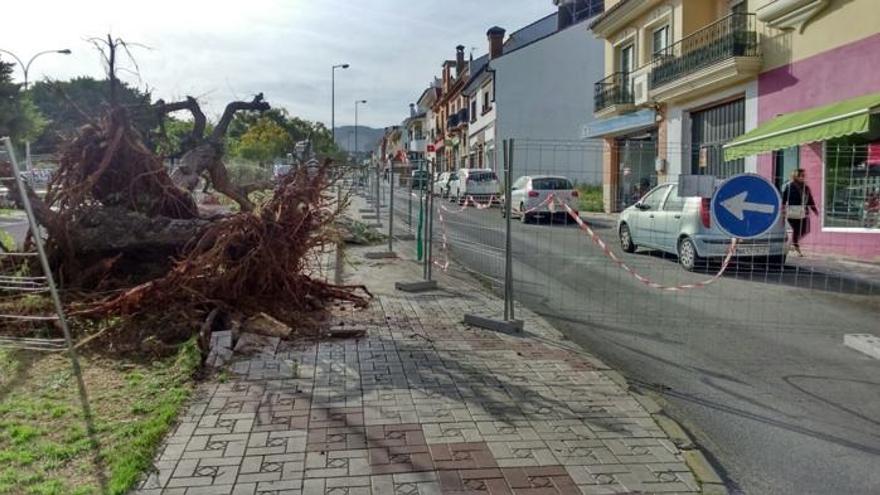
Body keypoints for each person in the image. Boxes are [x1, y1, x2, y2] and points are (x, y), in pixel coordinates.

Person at [780, 168, 818, 256]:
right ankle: (795, 245)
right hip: (792, 211)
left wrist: (814, 210)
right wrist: (782, 211)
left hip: (802, 211)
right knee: (796, 230)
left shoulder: (806, 187)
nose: (803, 177)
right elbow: (783, 199)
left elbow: (810, 199)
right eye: (801, 175)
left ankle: (792, 243)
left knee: (804, 230)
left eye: (804, 175)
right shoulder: (788, 186)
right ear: (795, 176)